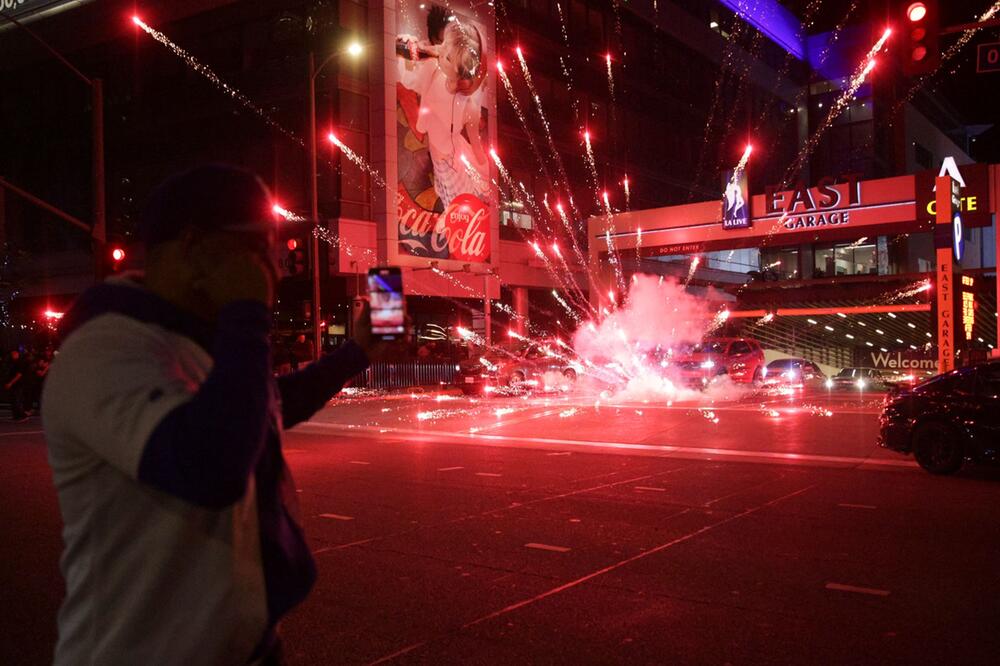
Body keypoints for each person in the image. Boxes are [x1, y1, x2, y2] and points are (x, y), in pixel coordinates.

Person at [41, 165, 371, 665]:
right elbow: (209, 467)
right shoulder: (106, 348)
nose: (276, 270)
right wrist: (246, 315)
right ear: (194, 247)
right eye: (260, 249)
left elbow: (267, 407)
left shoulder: (190, 338)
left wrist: (357, 355)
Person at [4, 348, 31, 421]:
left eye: (14, 353)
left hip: (18, 384)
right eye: (12, 354)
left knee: (17, 400)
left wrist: (10, 383)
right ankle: (16, 416)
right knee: (13, 400)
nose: (13, 355)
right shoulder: (12, 362)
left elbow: (19, 375)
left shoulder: (20, 362)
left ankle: (22, 415)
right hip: (14, 384)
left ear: (18, 354)